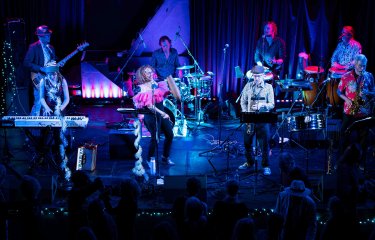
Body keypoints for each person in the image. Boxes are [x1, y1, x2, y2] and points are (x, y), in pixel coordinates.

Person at [132, 65, 181, 167]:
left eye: (151, 72)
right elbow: (149, 106)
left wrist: (172, 90)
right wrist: (163, 114)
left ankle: (165, 157)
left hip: (161, 113)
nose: (150, 74)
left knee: (170, 135)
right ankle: (149, 159)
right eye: (147, 72)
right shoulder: (140, 88)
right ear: (142, 74)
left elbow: (162, 96)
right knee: (156, 138)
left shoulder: (156, 84)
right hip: (151, 116)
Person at [337, 54, 374, 165]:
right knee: (344, 136)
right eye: (359, 66)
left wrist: (368, 93)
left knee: (363, 139)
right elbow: (339, 91)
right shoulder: (346, 76)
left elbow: (374, 92)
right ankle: (341, 161)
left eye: (364, 66)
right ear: (355, 65)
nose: (362, 68)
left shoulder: (369, 76)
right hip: (349, 111)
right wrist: (346, 99)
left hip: (363, 112)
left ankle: (360, 163)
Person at [238, 65, 275, 175]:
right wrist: (246, 113)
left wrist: (262, 105)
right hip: (249, 119)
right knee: (247, 143)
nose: (256, 78)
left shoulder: (268, 87)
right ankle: (249, 162)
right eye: (254, 76)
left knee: (264, 144)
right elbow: (243, 102)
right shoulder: (248, 86)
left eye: (258, 76)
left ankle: (265, 165)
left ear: (263, 76)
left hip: (263, 119)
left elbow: (272, 104)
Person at [39, 62, 71, 181]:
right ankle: (42, 157)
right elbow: (41, 98)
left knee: (59, 135)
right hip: (47, 110)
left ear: (57, 72)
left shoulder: (62, 81)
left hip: (59, 109)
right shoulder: (43, 81)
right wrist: (47, 108)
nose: (52, 76)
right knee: (45, 134)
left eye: (54, 74)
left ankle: (60, 157)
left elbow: (67, 99)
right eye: (50, 74)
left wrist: (60, 108)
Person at [24, 25, 58, 116]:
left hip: (50, 78)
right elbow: (26, 63)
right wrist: (40, 68)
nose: (49, 37)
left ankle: (45, 126)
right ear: (40, 36)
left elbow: (52, 63)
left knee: (50, 101)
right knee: (38, 101)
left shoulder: (51, 48)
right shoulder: (33, 47)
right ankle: (32, 127)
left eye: (49, 35)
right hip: (38, 76)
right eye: (47, 35)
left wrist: (57, 65)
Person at [254, 21, 286, 97]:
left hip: (275, 69)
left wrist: (276, 61)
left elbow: (282, 59)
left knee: (270, 85)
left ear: (273, 30)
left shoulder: (279, 42)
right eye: (265, 28)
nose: (266, 30)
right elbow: (256, 56)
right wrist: (260, 65)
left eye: (268, 28)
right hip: (263, 68)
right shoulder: (261, 41)